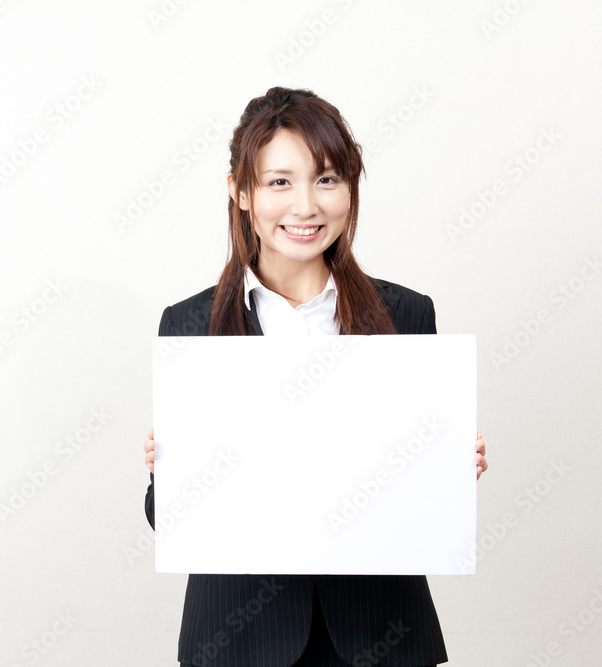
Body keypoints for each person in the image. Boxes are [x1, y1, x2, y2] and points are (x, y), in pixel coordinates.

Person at [141, 87, 489, 667]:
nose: (306, 206)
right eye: (280, 182)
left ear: (350, 189)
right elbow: (165, 520)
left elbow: (417, 506)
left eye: (327, 180)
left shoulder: (406, 315)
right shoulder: (189, 325)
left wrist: (448, 473)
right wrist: (172, 477)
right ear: (241, 191)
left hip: (383, 635)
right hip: (237, 640)